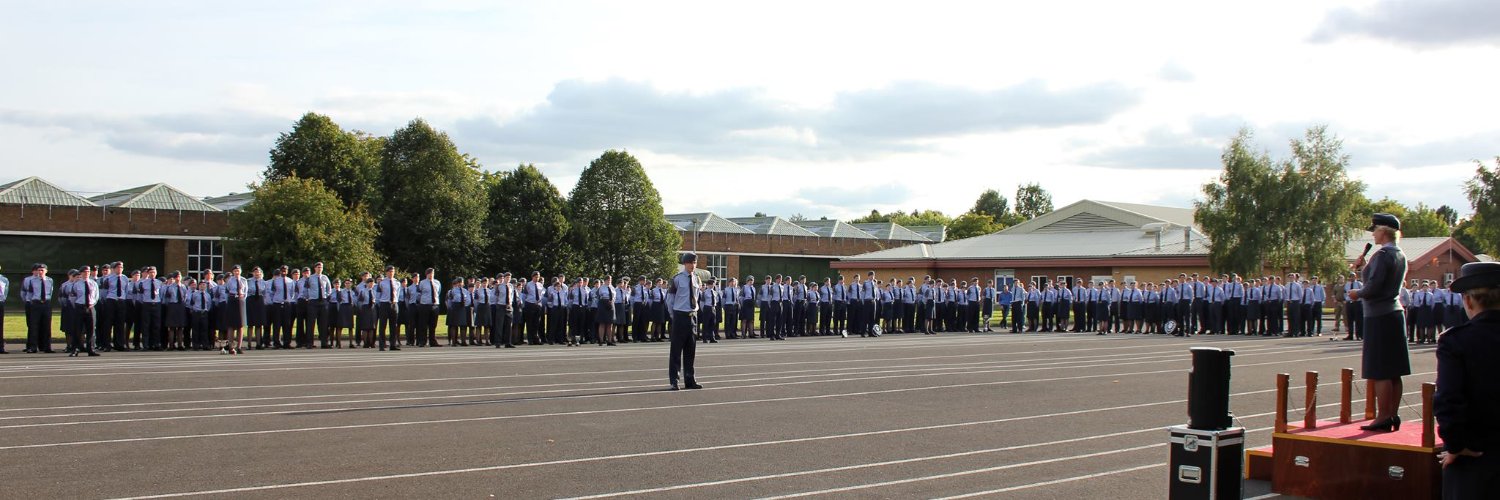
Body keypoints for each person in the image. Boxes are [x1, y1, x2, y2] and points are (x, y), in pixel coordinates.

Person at [1434, 261, 1500, 498]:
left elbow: (1448, 399)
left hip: (1474, 454)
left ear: (1469, 301)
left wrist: (1455, 445)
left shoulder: (1456, 341)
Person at [1349, 213, 1411, 432]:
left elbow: (1373, 288)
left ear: (1383, 231)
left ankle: (1384, 415)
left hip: (1379, 315)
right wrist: (1365, 267)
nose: (1373, 234)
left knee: (1380, 370)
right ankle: (1392, 414)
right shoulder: (1398, 253)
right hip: (1393, 313)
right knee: (1394, 369)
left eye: (1375, 230)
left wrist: (1356, 293)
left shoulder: (1383, 254)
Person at [667, 253, 703, 390]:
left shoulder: (697, 279)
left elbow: (697, 297)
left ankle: (690, 379)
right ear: (684, 264)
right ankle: (674, 380)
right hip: (680, 315)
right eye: (690, 263)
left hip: (692, 316)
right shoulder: (676, 279)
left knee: (690, 350)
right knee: (676, 350)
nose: (692, 265)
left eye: (694, 263)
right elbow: (670, 300)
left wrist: (694, 311)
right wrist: (674, 315)